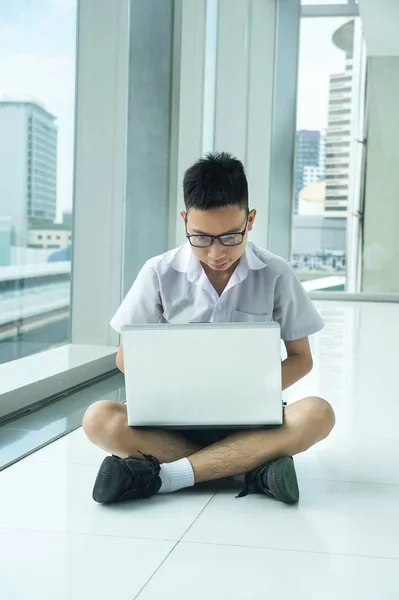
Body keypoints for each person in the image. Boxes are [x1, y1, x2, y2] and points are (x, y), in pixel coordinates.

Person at [83, 152, 335, 506]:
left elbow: (301, 358)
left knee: (318, 413)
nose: (216, 252)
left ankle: (166, 476)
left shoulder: (276, 273)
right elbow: (127, 358)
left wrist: (245, 391)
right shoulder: (158, 272)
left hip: (249, 418)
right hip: (172, 418)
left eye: (230, 237)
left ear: (250, 220)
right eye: (200, 237)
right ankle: (251, 468)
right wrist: (182, 389)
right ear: (185, 220)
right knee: (98, 419)